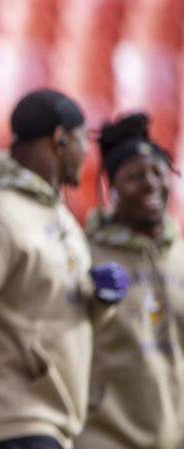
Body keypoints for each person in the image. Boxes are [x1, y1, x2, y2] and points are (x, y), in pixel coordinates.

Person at [0, 89, 130, 449]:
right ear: (60, 140)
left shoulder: (61, 219)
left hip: (50, 424)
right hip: (10, 427)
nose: (88, 153)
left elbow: (52, 315)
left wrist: (99, 301)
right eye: (84, 139)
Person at [75, 114, 183, 449]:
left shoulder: (180, 256)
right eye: (135, 176)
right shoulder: (84, 256)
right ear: (112, 189)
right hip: (106, 438)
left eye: (157, 172)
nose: (150, 183)